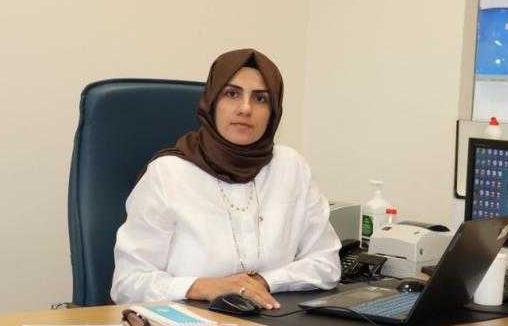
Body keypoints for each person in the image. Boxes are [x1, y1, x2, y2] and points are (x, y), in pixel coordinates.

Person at [111, 48, 341, 308]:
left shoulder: (291, 168)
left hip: (270, 319)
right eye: (232, 94)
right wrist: (202, 287)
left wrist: (263, 282)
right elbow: (127, 284)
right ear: (212, 102)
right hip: (187, 323)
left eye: (260, 98)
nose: (245, 108)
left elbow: (327, 264)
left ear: (273, 112)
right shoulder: (167, 174)